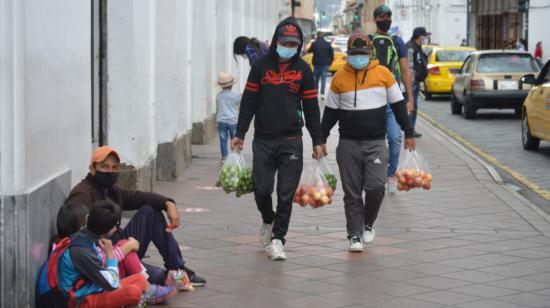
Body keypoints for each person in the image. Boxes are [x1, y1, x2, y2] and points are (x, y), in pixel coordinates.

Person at [231, 17, 324, 260]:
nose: (289, 47)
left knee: (286, 192)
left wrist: (318, 139)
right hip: (263, 139)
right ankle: (267, 219)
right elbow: (249, 102)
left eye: (294, 44)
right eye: (285, 43)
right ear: (275, 41)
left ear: (299, 44)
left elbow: (312, 106)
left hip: (291, 139)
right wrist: (239, 133)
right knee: (261, 188)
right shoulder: (261, 66)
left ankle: (278, 239)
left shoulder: (304, 69)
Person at [321, 31, 415, 252]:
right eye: (355, 53)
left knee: (375, 188)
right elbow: (330, 114)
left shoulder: (384, 74)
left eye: (363, 53)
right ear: (348, 53)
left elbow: (399, 106)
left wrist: (408, 133)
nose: (359, 57)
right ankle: (354, 235)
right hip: (348, 144)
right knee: (352, 193)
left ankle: (368, 223)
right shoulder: (339, 78)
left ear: (370, 53)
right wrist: (320, 139)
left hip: (375, 143)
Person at [66, 146, 206, 289]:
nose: (110, 171)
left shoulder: (112, 190)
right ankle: (167, 277)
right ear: (92, 169)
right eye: (104, 166)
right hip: (107, 256)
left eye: (114, 167)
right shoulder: (83, 193)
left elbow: (139, 197)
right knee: (158, 277)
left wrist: (168, 203)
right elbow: (77, 232)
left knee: (150, 211)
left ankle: (177, 268)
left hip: (123, 245)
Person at [46, 200, 176, 307]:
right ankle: (148, 295)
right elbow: (112, 284)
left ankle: (153, 294)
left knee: (139, 279)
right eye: (116, 226)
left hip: (90, 288)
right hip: (79, 301)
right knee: (133, 293)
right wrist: (110, 255)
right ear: (111, 229)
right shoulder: (82, 250)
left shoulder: (85, 238)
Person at [369, 4, 415, 195]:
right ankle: (373, 176)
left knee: (395, 139)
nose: (385, 19)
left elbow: (405, 72)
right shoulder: (367, 40)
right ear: (375, 20)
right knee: (373, 142)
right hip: (371, 100)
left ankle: (391, 175)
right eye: (382, 16)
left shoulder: (398, 42)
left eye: (388, 16)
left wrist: (410, 99)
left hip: (392, 100)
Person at [406, 27, 430, 139]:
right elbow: (409, 66)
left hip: (416, 82)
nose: (425, 38)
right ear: (420, 36)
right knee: (412, 107)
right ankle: (409, 130)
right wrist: (411, 82)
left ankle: (411, 128)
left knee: (414, 107)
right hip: (412, 83)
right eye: (424, 36)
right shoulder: (410, 47)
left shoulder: (417, 46)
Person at [216, 72, 241, 162]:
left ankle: (224, 158)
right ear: (231, 85)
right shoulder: (236, 95)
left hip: (221, 120)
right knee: (234, 138)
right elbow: (240, 106)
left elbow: (218, 108)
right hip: (233, 121)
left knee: (223, 140)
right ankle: (236, 156)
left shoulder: (218, 96)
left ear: (221, 86)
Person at [307, 31, 334, 99]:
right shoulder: (328, 44)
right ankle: (322, 94)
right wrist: (330, 62)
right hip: (325, 64)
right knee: (323, 79)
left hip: (317, 64)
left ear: (317, 36)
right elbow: (331, 54)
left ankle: (316, 93)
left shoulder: (314, 44)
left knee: (316, 79)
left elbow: (309, 51)